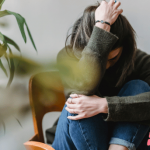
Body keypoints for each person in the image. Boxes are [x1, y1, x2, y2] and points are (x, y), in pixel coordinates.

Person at [47, 0, 150, 149]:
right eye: (102, 57)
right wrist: (102, 25)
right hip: (71, 141)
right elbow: (82, 89)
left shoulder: (136, 60)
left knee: (138, 87)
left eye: (113, 58)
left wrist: (105, 105)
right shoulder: (68, 56)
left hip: (119, 142)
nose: (106, 66)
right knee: (80, 100)